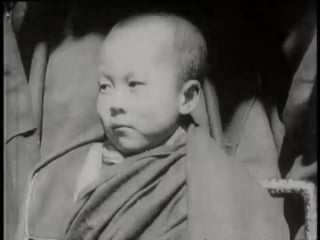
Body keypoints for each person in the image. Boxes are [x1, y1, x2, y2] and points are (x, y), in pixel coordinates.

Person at [19, 13, 289, 240]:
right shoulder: (70, 169)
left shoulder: (213, 175)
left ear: (187, 97)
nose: (115, 103)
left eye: (134, 85)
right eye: (105, 86)